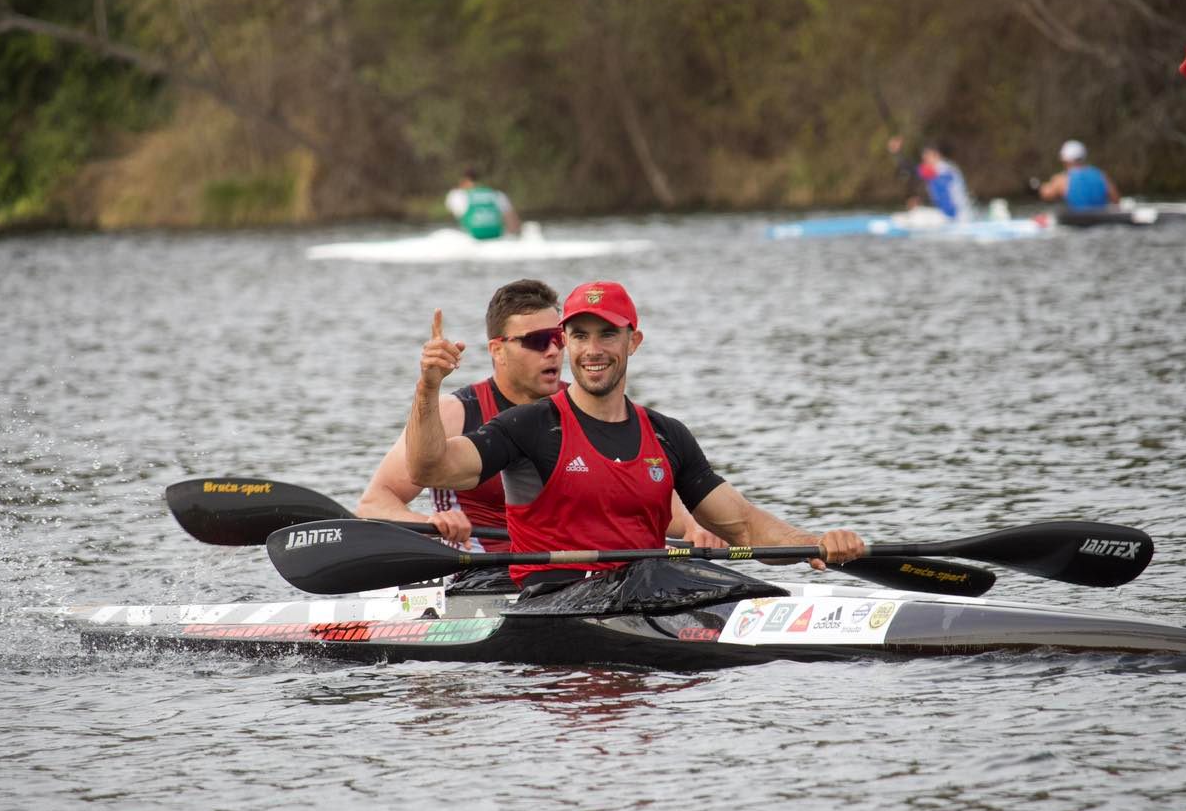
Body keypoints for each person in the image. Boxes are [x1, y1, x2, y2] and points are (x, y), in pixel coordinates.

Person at [404, 280, 865, 588]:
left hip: (645, 595)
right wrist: (428, 388)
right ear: (568, 344)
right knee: (672, 578)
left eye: (608, 334)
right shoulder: (530, 426)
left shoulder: (667, 436)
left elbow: (744, 525)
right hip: (554, 607)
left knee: (715, 582)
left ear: (634, 342)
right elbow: (431, 466)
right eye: (580, 336)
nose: (593, 350)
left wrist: (815, 543)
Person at [357, 279, 720, 553]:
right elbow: (374, 503)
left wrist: (692, 529)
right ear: (497, 351)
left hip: (567, 579)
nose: (552, 351)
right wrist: (429, 523)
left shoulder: (586, 404)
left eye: (558, 338)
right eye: (536, 341)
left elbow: (644, 490)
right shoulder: (458, 412)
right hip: (475, 574)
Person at [887, 136, 974, 221]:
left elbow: (911, 169)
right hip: (952, 215)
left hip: (955, 216)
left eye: (927, 158)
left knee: (911, 216)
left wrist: (897, 153)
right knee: (912, 213)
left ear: (936, 155)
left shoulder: (942, 169)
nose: (925, 162)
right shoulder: (942, 169)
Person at [1038, 140, 1120, 209]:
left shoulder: (1063, 179)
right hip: (1102, 218)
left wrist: (1043, 187)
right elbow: (1116, 199)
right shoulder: (1100, 174)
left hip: (1077, 222)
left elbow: (1047, 195)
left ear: (1065, 160)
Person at [444, 168, 520, 240]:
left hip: (473, 237)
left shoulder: (457, 195)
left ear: (464, 180)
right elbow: (512, 220)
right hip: (496, 235)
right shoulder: (496, 194)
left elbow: (457, 214)